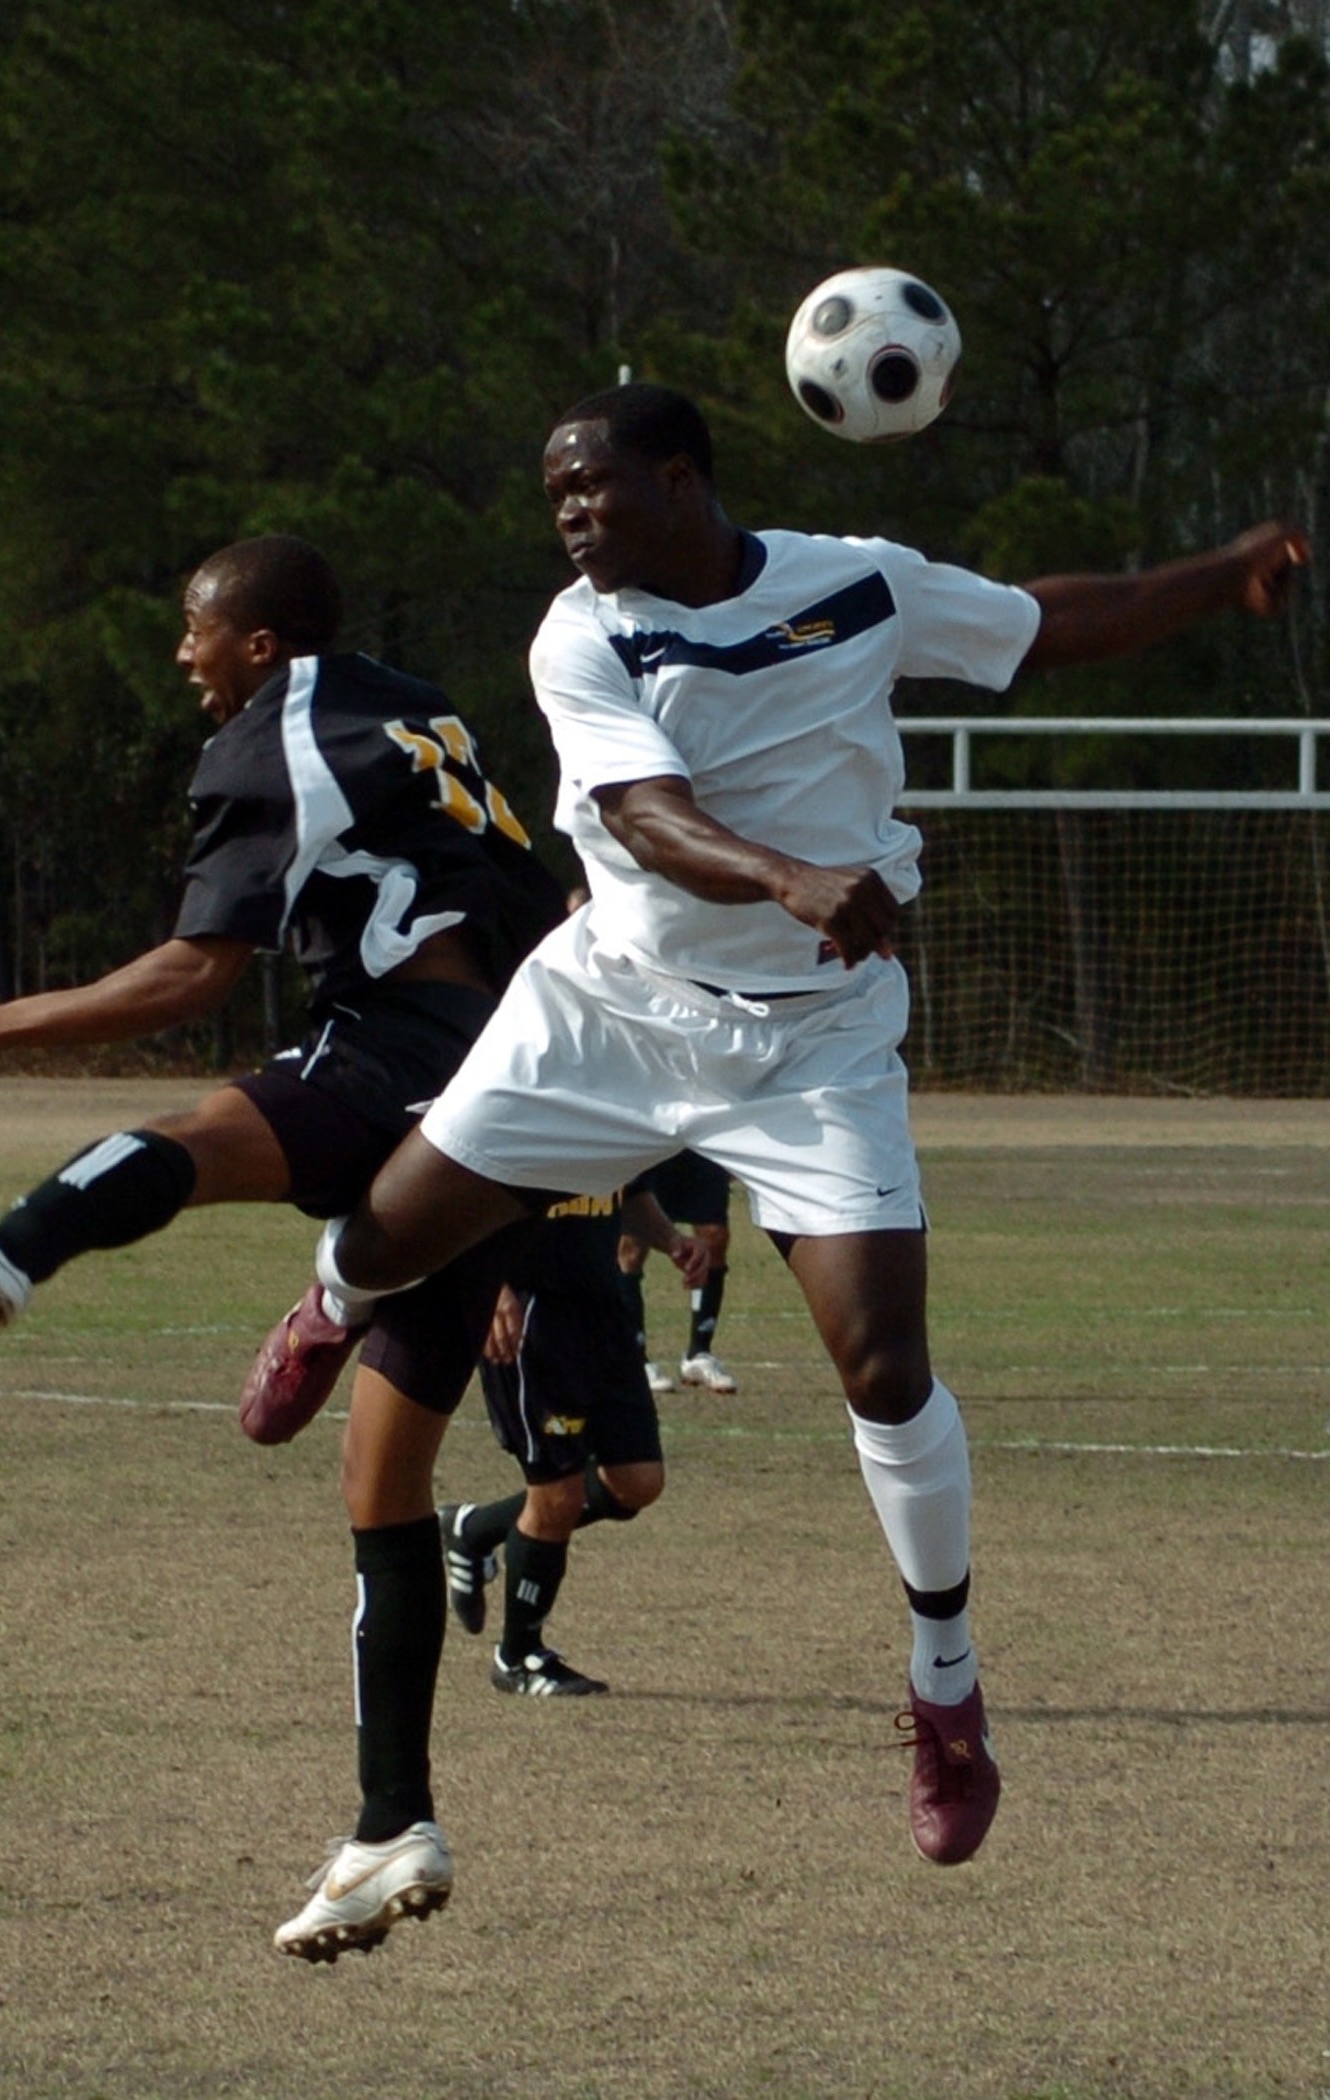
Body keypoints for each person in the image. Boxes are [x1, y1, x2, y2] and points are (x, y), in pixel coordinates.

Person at [247, 383, 1310, 1908]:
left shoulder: (856, 580)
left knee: (883, 1364)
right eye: (554, 493)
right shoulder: (581, 631)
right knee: (387, 1239)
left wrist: (1221, 575)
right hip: (609, 1009)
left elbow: (1049, 620)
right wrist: (794, 876)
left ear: (680, 480)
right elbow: (650, 815)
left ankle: (946, 1694)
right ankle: (324, 1312)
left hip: (812, 1038)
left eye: (591, 489)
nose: (568, 515)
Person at [0, 532, 565, 1961]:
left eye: (193, 629)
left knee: (198, 1130)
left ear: (259, 644)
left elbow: (190, 972)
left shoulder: (272, 737)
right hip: (513, 1087)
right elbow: (526, 911)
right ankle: (388, 1821)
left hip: (401, 1048)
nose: (182, 655)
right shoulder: (423, 714)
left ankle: (13, 1255)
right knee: (380, 1482)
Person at [441, 1174, 707, 1695]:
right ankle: (518, 1657)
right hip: (531, 1310)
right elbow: (455, 1191)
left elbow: (628, 1192)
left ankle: (473, 1529)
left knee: (636, 1481)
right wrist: (488, 1284)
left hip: (601, 1307)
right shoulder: (514, 1098)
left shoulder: (614, 1103)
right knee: (556, 1492)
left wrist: (672, 1239)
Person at [615, 1150, 738, 1393]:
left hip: (697, 1138)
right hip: (652, 1134)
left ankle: (699, 1352)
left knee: (714, 1235)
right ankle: (634, 1358)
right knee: (632, 1244)